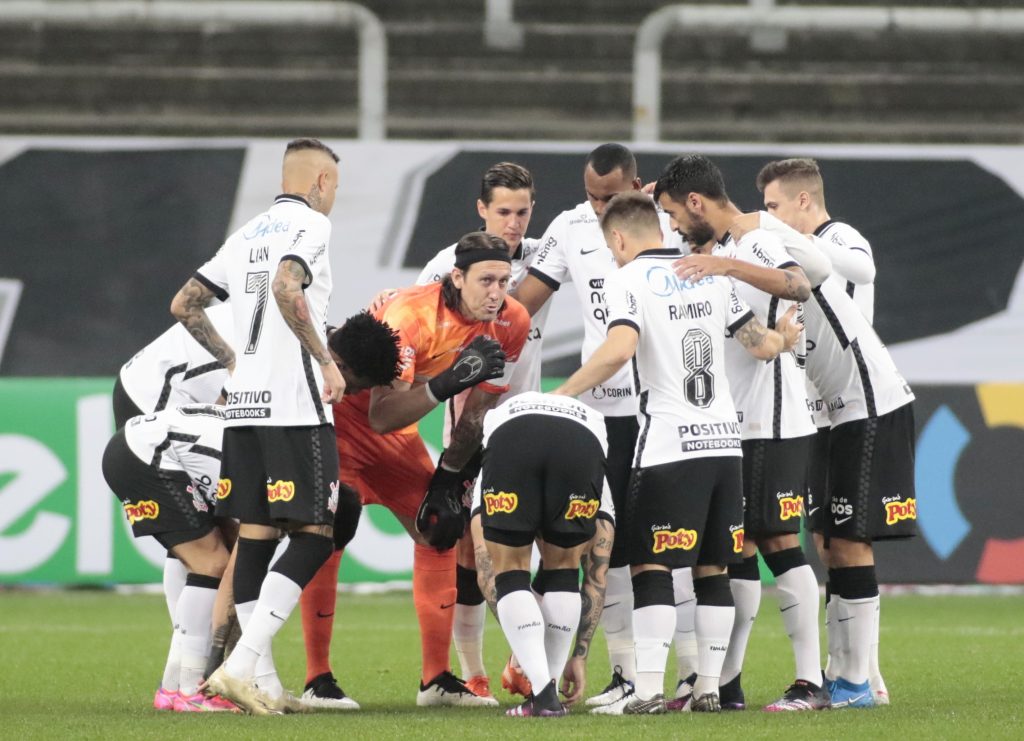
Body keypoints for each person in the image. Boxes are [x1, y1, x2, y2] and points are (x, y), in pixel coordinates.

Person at [555, 191, 801, 714]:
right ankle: (708, 687)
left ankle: (646, 691)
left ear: (617, 239)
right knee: (713, 567)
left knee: (651, 567)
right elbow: (758, 345)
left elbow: (620, 349)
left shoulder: (626, 281)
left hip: (668, 446)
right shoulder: (709, 274)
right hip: (724, 446)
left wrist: (560, 395)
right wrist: (783, 337)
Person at [348, 162, 546, 700]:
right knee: (327, 529)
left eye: (506, 282)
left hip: (494, 424)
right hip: (357, 417)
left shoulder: (515, 312)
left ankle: (465, 675)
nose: (498, 293)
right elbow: (387, 403)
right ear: (456, 278)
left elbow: (480, 404)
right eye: (487, 280)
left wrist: (451, 471)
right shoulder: (420, 299)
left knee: (466, 532)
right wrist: (446, 387)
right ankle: (308, 675)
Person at [170, 137, 347, 715]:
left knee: (258, 533)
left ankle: (263, 684)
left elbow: (185, 304)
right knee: (318, 531)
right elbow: (286, 287)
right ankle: (243, 664)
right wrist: (325, 359)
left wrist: (228, 361)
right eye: (334, 187)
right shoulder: (311, 227)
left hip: (242, 407)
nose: (333, 198)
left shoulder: (246, 233)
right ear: (320, 182)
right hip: (294, 405)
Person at [513, 143, 692, 705]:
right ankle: (626, 675)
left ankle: (690, 676)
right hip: (601, 414)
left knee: (662, 545)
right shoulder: (569, 228)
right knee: (602, 543)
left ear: (639, 187)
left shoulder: (670, 227)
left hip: (660, 408)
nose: (597, 207)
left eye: (609, 197)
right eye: (591, 196)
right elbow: (523, 303)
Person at [655, 154, 832, 711]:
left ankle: (810, 682)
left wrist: (725, 269)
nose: (677, 228)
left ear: (697, 203)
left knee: (778, 541)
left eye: (675, 216)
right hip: (738, 421)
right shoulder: (721, 250)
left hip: (774, 417)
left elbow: (799, 285)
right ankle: (725, 683)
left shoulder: (749, 243)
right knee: (740, 547)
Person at [756, 158, 897, 708]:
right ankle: (862, 673)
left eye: (774, 205)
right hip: (813, 411)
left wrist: (771, 229)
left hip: (854, 403)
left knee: (847, 538)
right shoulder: (788, 255)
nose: (769, 216)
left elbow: (863, 271)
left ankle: (859, 677)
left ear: (804, 203)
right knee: (825, 540)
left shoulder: (840, 237)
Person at [478, 392, 609, 717]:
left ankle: (543, 693)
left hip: (512, 433)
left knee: (510, 570)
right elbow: (596, 574)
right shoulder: (603, 492)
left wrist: (522, 649)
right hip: (585, 437)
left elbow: (487, 572)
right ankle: (546, 692)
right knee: (564, 569)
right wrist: (577, 655)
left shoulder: (489, 460)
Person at [101, 403, 238, 713]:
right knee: (212, 564)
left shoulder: (262, 445)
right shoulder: (253, 469)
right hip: (146, 454)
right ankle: (190, 691)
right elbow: (240, 563)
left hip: (139, 445)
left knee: (210, 560)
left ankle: (171, 689)